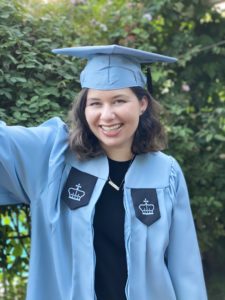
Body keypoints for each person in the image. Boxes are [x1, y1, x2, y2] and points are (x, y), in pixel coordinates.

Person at [0, 44, 207, 300]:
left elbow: (185, 270)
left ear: (142, 104)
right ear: (84, 109)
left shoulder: (166, 173)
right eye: (95, 103)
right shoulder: (52, 158)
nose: (107, 115)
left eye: (119, 100)